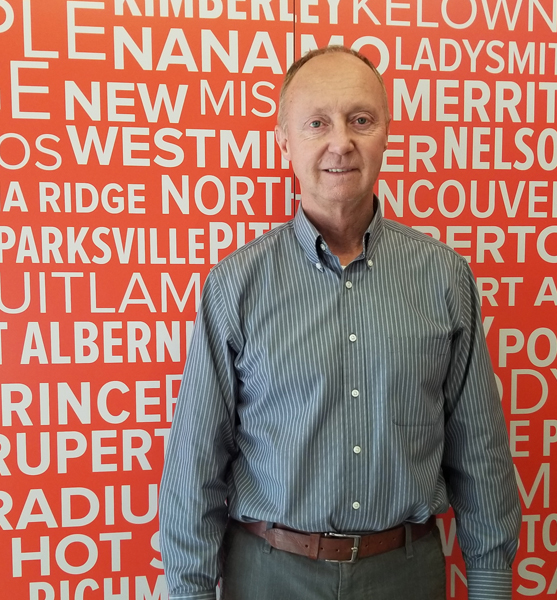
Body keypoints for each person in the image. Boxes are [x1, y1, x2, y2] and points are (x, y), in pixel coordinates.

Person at [159, 46, 521, 600]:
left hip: (406, 574)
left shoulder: (444, 277)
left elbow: (480, 450)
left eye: (360, 119)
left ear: (385, 133)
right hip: (267, 574)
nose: (340, 143)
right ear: (286, 143)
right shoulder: (237, 284)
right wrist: (189, 590)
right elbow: (194, 463)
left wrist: (492, 582)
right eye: (317, 123)